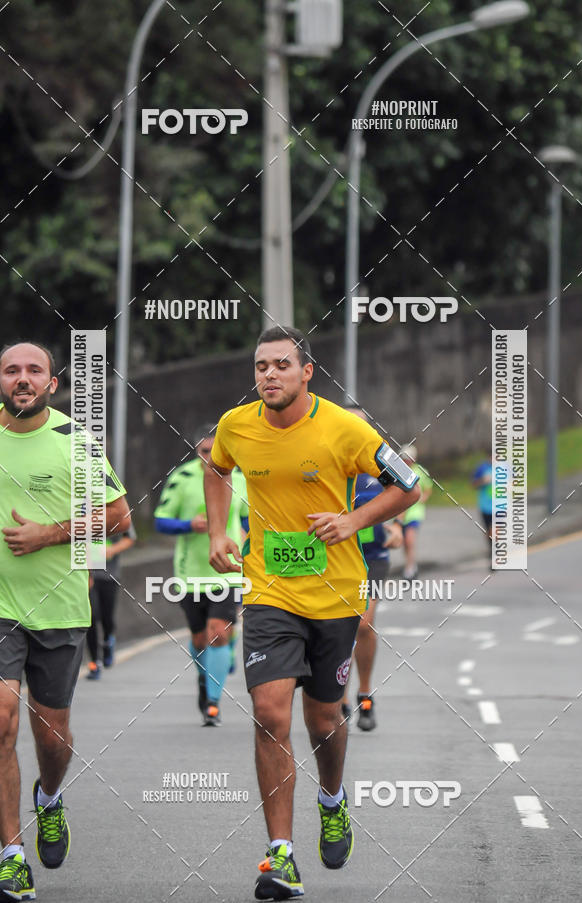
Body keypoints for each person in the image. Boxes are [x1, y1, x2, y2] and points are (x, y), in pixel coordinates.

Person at [204, 326, 421, 900]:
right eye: (260, 366)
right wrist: (222, 530)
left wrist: (351, 521)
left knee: (323, 720)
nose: (268, 375)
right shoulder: (235, 425)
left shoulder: (346, 428)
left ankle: (332, 800)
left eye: (281, 364)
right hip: (270, 592)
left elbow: (410, 485)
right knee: (270, 711)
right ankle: (280, 855)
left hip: (336, 593)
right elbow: (216, 467)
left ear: (307, 373)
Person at [0, 342, 130, 901]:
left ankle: (49, 799)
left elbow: (118, 515)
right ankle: (10, 854)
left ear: (51, 383)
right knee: (1, 720)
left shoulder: (74, 441)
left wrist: (48, 533)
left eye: (33, 371)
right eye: (11, 371)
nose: (22, 379)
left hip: (59, 610)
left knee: (51, 737)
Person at [154, 427, 247, 726]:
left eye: (215, 451)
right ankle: (209, 672)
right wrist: (187, 525)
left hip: (228, 571)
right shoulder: (182, 478)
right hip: (190, 573)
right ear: (197, 451)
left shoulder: (241, 479)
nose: (210, 458)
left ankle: (212, 701)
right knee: (199, 638)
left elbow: (251, 520)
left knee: (217, 631)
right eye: (204, 451)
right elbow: (160, 521)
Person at [341, 407, 404, 732]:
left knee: (363, 624)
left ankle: (365, 693)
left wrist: (396, 527)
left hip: (372, 556)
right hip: (334, 553)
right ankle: (337, 695)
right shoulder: (325, 455)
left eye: (361, 425)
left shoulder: (382, 457)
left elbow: (407, 491)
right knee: (335, 626)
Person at [85, 522, 137, 680]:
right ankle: (94, 663)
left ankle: (108, 640)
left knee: (107, 617)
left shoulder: (114, 505)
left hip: (109, 574)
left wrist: (112, 550)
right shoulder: (78, 505)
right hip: (87, 574)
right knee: (91, 617)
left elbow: (130, 538)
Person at [396, 445, 433, 580]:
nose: (406, 461)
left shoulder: (421, 471)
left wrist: (423, 498)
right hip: (401, 512)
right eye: (404, 458)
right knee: (404, 542)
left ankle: (409, 568)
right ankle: (410, 564)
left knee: (409, 539)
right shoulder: (398, 471)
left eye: (409, 458)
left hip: (415, 512)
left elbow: (428, 488)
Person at [472, 451, 493, 550]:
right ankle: (492, 551)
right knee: (489, 532)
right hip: (486, 507)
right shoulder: (482, 468)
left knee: (496, 530)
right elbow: (473, 485)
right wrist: (483, 481)